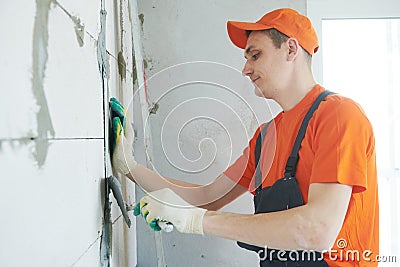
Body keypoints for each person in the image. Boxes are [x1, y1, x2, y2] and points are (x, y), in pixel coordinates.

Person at [111, 8, 379, 266]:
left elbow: (317, 231)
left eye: (255, 55)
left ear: (291, 49)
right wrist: (128, 166)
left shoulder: (339, 116)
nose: (246, 69)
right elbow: (207, 196)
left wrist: (196, 221)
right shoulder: (265, 138)